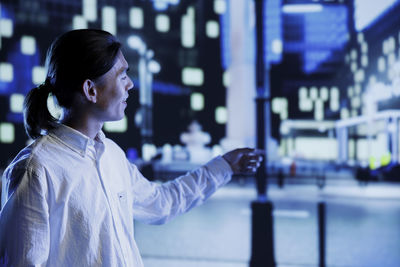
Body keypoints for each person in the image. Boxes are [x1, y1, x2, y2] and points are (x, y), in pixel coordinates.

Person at [0, 29, 263, 266]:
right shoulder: (36, 169)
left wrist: (224, 166)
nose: (130, 84)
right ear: (91, 90)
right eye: (123, 75)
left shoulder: (112, 155)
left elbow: (161, 203)